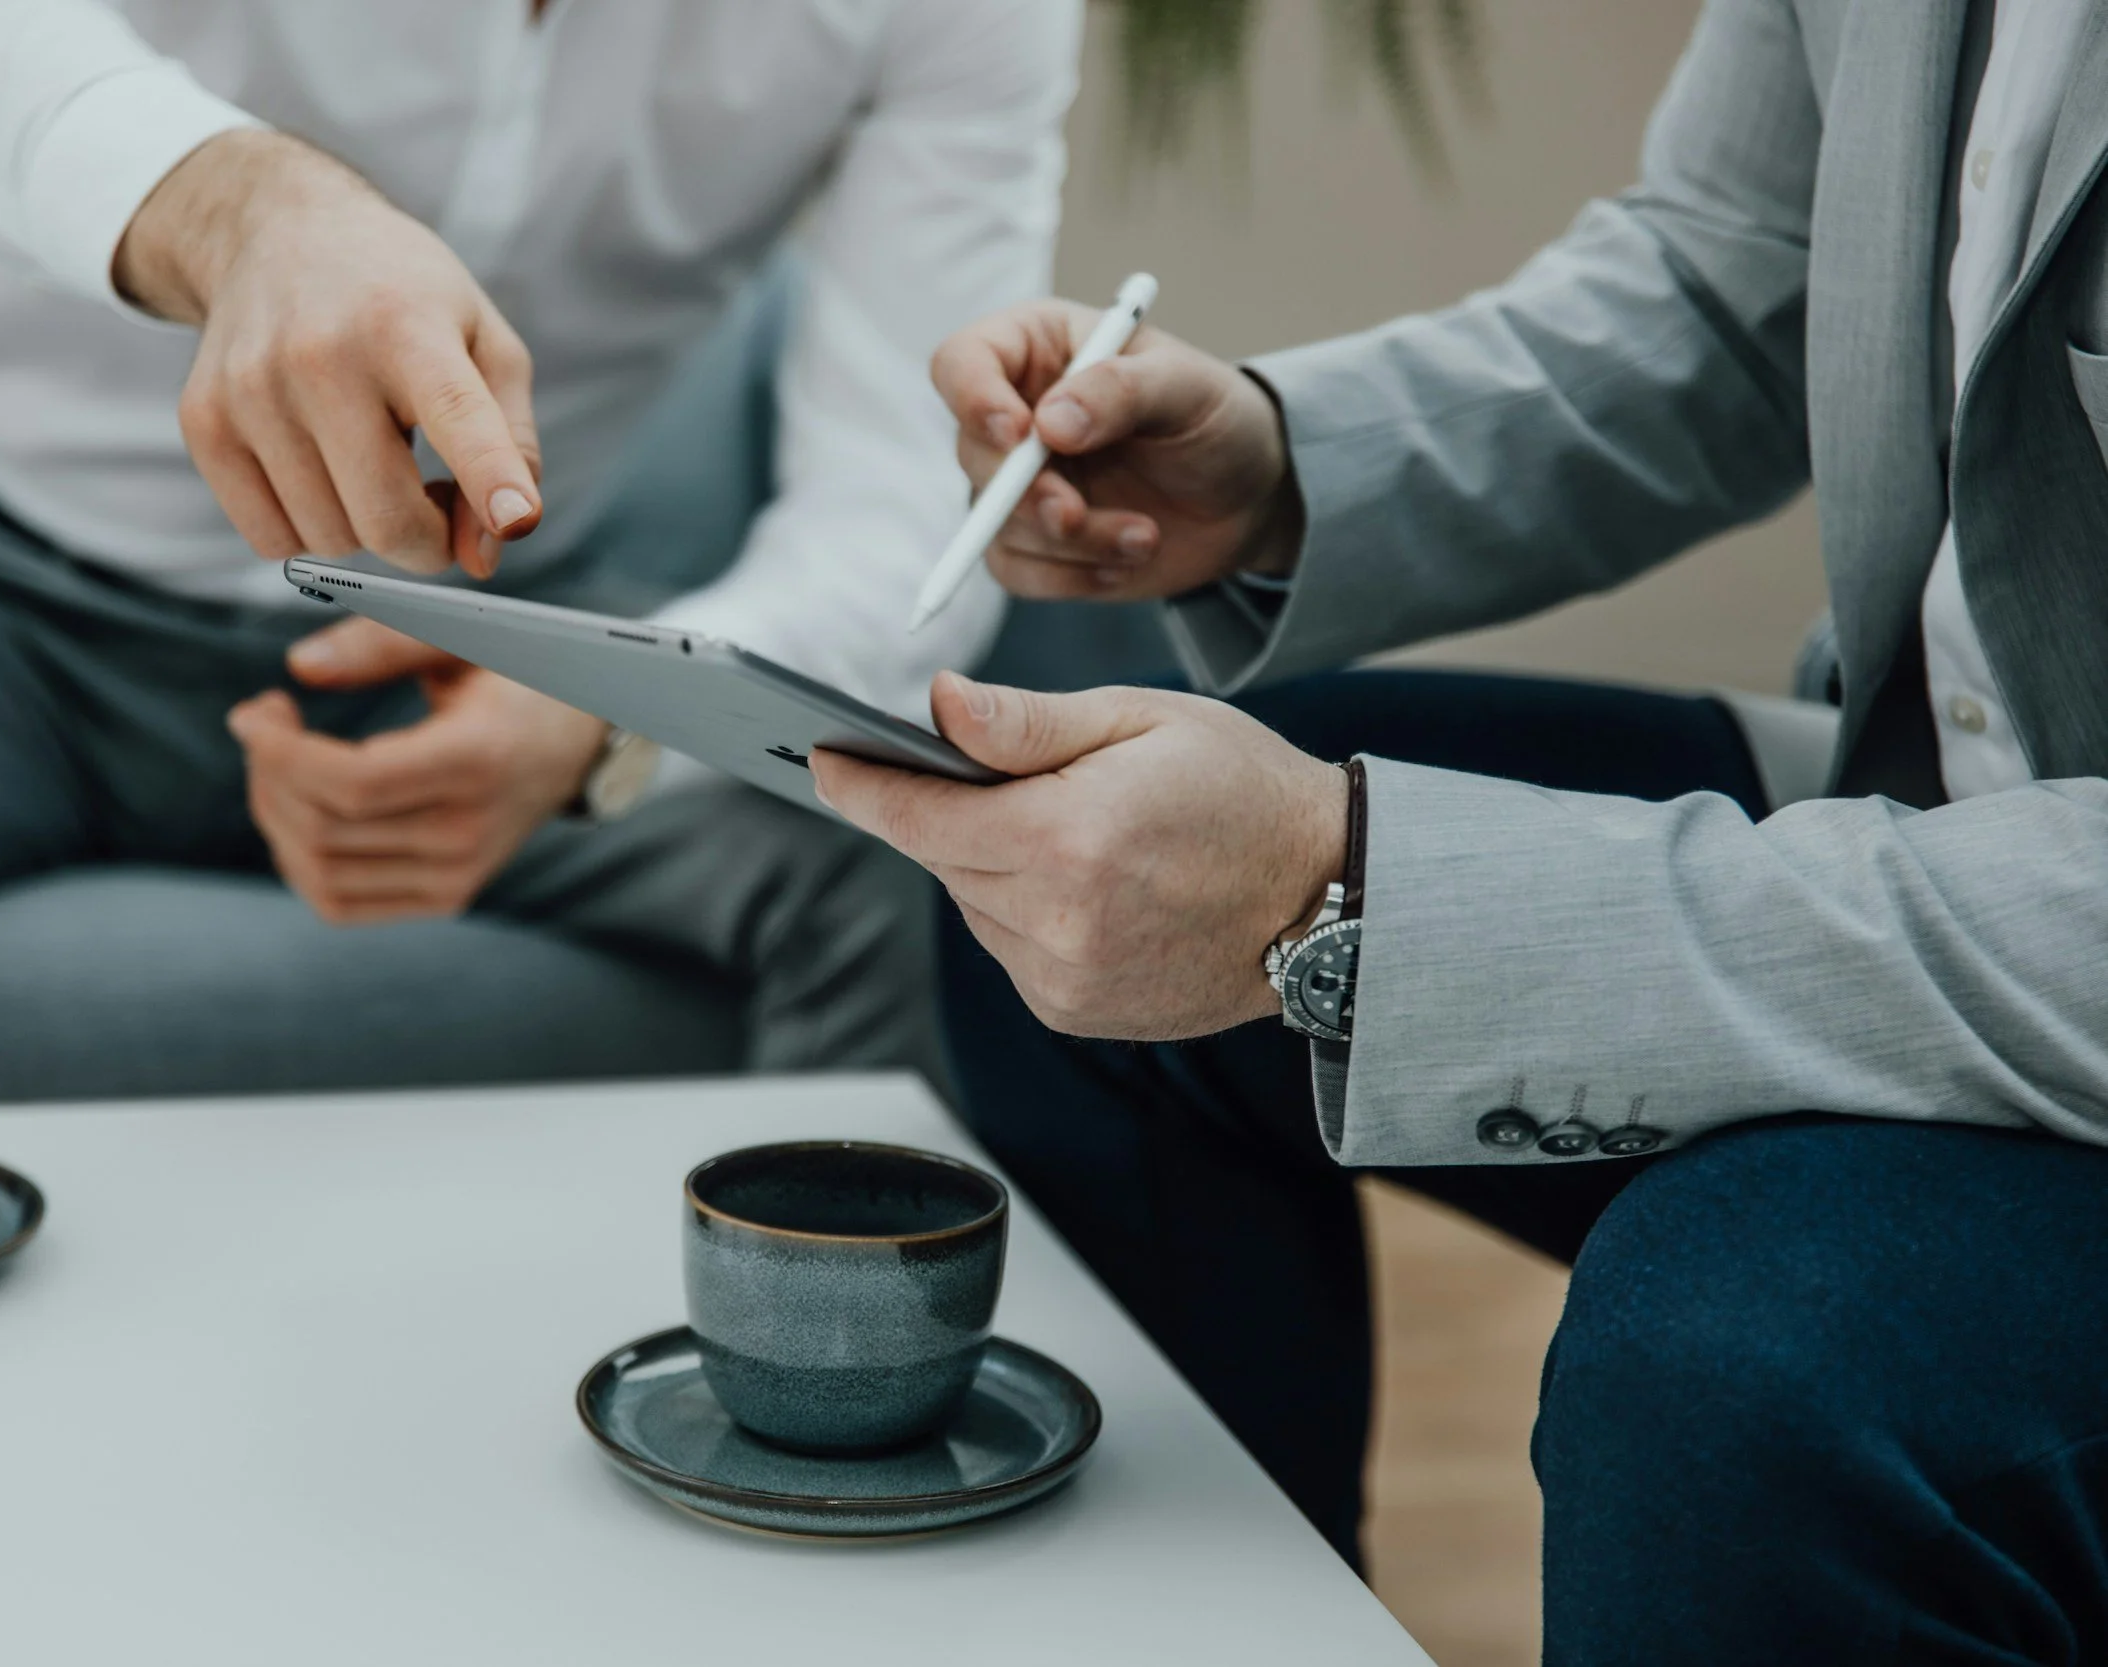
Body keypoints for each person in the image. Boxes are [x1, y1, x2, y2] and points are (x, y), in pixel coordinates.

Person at [814, 1, 2108, 1660]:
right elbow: (1735, 276)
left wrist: (1349, 888)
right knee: (1048, 896)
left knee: (1735, 1371)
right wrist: (1280, 470)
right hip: (1916, 816)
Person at [0, 0, 1080, 1086]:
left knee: (911, 837)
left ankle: (817, 1448)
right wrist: (248, 210)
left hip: (497, 635)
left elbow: (908, 500)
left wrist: (598, 727)